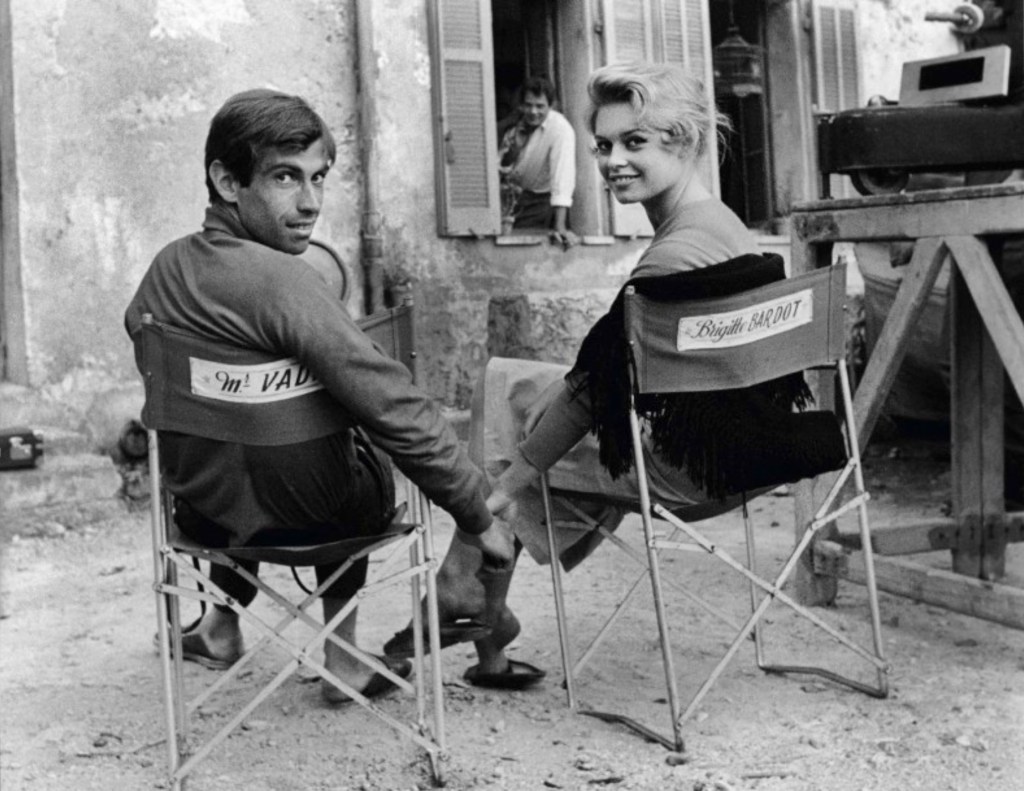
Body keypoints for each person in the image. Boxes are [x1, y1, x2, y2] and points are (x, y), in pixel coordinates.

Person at [385, 62, 839, 688]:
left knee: (511, 425)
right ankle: (481, 622)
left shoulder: (673, 257)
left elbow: (592, 395)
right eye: (603, 145)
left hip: (686, 469)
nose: (613, 161)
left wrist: (507, 488)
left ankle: (465, 592)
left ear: (683, 141)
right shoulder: (723, 227)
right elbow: (606, 374)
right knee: (516, 387)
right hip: (744, 450)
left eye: (634, 142)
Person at [125, 89, 513, 704]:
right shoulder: (290, 285)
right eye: (285, 177)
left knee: (232, 440)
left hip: (203, 514)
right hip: (319, 516)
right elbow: (394, 407)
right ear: (227, 181)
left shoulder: (164, 272)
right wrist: (476, 514)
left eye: (318, 178)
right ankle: (343, 655)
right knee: (352, 430)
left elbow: (143, 337)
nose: (309, 203)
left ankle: (221, 625)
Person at [497, 77, 579, 249]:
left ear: (551, 105)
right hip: (507, 199)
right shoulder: (512, 124)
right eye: (528, 105)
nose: (533, 111)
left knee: (521, 248)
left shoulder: (561, 130)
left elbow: (562, 178)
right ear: (521, 105)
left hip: (538, 202)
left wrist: (560, 227)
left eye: (540, 106)